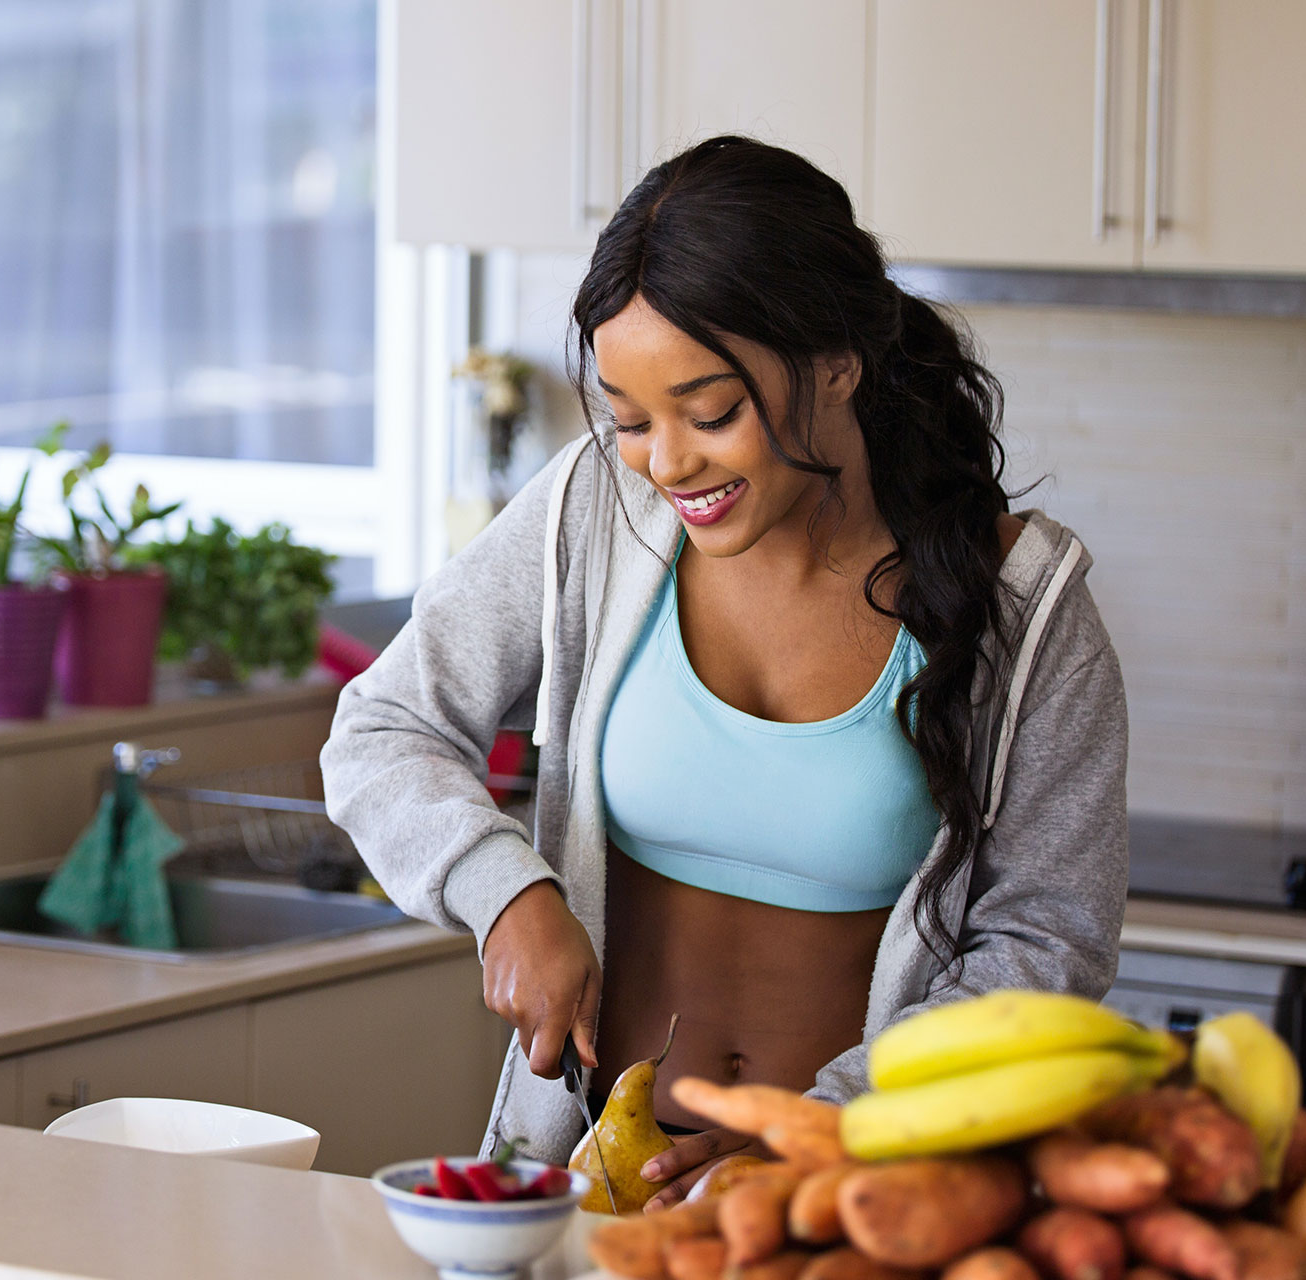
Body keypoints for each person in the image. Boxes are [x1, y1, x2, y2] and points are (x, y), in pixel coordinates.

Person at [320, 136, 1128, 1207]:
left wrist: (819, 1135)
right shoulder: (593, 512)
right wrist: (507, 890)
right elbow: (382, 728)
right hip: (593, 1190)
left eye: (709, 413)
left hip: (855, 1202)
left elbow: (1044, 947)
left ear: (838, 360)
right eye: (629, 419)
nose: (667, 463)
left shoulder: (1023, 603)